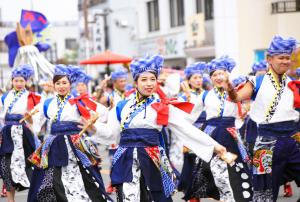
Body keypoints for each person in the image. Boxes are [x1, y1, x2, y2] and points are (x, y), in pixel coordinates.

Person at [96, 54, 227, 202]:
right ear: (136, 82)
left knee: (156, 197)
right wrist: (93, 127)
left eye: (153, 79)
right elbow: (110, 134)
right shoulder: (121, 106)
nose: (149, 84)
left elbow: (185, 128)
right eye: (144, 80)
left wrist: (214, 146)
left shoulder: (162, 105)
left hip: (153, 158)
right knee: (129, 197)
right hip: (126, 159)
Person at [224, 35, 300, 201]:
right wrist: (230, 89)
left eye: (288, 58)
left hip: (293, 139)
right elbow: (237, 97)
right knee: (264, 192)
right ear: (269, 59)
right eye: (281, 58)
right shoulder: (256, 81)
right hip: (266, 140)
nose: (286, 61)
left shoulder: (293, 83)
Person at [27, 64, 112, 202]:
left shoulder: (79, 101)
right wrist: (31, 120)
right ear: (53, 85)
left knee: (84, 177)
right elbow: (36, 122)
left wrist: (92, 122)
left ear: (70, 84)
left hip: (76, 142)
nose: (61, 86)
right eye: (58, 83)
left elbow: (103, 113)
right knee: (52, 178)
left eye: (64, 83)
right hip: (54, 144)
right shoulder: (47, 103)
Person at [182, 56, 253, 202]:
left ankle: (234, 197)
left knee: (235, 168)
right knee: (212, 170)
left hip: (230, 135)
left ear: (227, 75)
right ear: (211, 78)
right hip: (212, 135)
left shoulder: (235, 92)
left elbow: (241, 113)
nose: (218, 77)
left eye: (221, 73)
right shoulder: (205, 95)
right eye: (214, 75)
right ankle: (221, 196)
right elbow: (191, 117)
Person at [0, 64, 41, 202]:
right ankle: (11, 200)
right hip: (7, 133)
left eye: (21, 81)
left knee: (28, 165)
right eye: (16, 80)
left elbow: (35, 119)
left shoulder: (32, 97)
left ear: (26, 82)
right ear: (12, 81)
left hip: (23, 133)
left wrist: (30, 118)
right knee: (7, 165)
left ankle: (35, 196)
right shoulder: (5, 97)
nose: (18, 83)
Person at [177, 62, 208, 202]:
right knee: (191, 165)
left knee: (205, 165)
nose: (198, 80)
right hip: (190, 132)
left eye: (200, 77)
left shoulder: (207, 95)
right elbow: (181, 120)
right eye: (195, 77)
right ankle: (192, 195)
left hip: (207, 132)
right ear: (188, 80)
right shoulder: (182, 97)